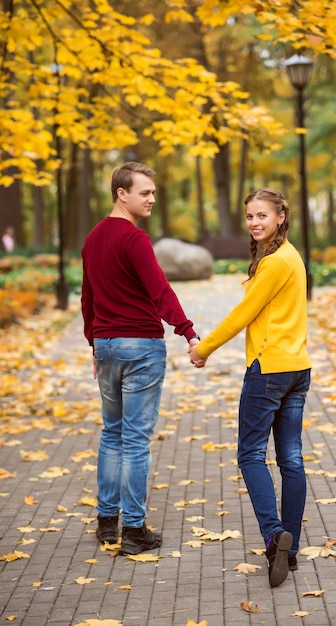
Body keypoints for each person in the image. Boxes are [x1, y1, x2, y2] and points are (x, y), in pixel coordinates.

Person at [189, 188, 311, 587]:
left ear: (280, 216)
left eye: (262, 215)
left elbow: (243, 314)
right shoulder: (292, 255)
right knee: (291, 460)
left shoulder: (275, 263)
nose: (255, 222)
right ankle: (287, 555)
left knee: (250, 456)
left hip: (269, 371)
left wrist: (202, 348)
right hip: (297, 369)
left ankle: (276, 536)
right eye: (249, 217)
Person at [81, 161, 202, 556]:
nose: (152, 198)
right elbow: (159, 289)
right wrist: (186, 330)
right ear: (122, 193)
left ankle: (105, 523)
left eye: (152, 191)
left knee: (111, 433)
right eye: (145, 192)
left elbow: (88, 301)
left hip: (107, 345)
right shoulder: (134, 239)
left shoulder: (92, 239)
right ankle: (133, 530)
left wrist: (94, 345)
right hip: (141, 348)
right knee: (134, 440)